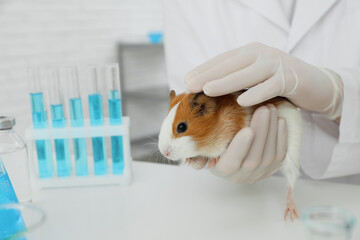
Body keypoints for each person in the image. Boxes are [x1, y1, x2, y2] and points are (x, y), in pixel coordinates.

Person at [162, 0, 360, 183]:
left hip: (346, 190)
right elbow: (184, 95)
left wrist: (339, 96)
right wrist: (210, 159)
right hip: (235, 198)